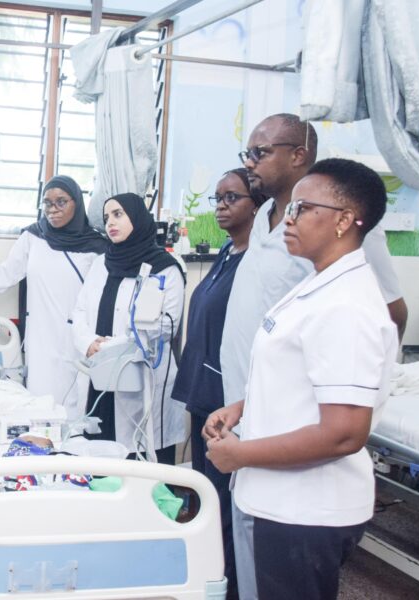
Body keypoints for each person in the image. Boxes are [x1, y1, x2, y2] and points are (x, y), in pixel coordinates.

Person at [219, 114, 407, 600]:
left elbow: (344, 432)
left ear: (344, 220)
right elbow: (297, 374)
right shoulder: (319, 284)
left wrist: (240, 454)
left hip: (305, 509)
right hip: (281, 497)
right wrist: (243, 408)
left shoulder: (347, 306)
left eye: (304, 209)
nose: (290, 218)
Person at [0, 175, 109, 414]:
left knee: (74, 408)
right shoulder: (34, 237)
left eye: (61, 202)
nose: (52, 209)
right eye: (47, 203)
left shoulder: (97, 247)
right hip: (40, 339)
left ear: (76, 203)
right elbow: (3, 276)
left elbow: (102, 298)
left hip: (77, 339)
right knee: (39, 406)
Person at [170, 168, 265, 598]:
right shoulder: (228, 252)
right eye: (218, 198)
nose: (222, 206)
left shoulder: (256, 261)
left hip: (226, 396)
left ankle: (227, 585)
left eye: (232, 198)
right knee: (205, 493)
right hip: (202, 388)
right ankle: (207, 575)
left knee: (223, 501)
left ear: (257, 205)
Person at [71, 193, 186, 463]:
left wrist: (111, 347)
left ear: (137, 217)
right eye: (107, 217)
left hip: (141, 377)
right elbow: (79, 311)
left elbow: (166, 325)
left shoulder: (166, 268)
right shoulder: (101, 263)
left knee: (141, 456)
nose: (110, 222)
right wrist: (89, 343)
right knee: (99, 455)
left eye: (118, 214)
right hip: (99, 374)